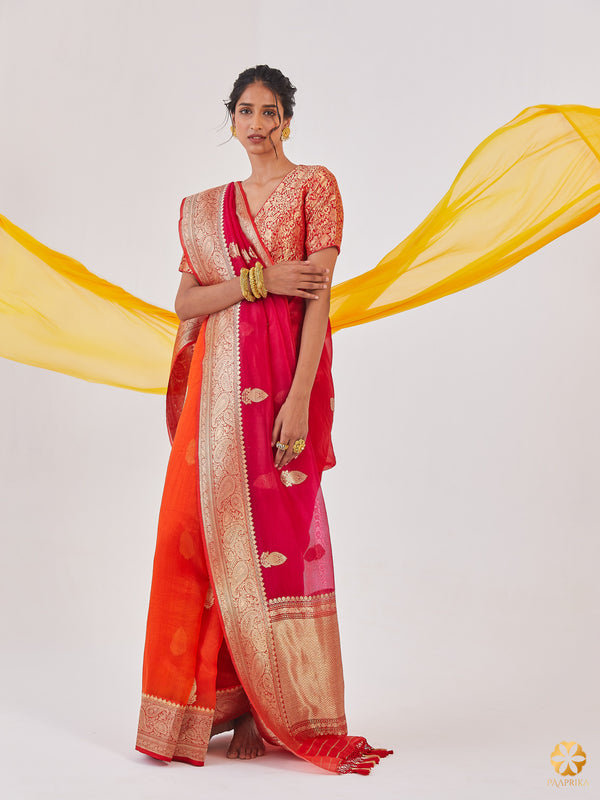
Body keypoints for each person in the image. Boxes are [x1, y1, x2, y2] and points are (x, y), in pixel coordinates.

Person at [135, 65, 391, 775]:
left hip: (282, 383)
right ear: (232, 120)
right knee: (200, 535)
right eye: (245, 111)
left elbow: (319, 299)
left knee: (275, 533)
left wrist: (301, 397)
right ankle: (222, 703)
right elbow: (187, 304)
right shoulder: (202, 208)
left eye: (269, 111)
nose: (256, 123)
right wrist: (259, 280)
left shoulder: (315, 187)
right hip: (219, 396)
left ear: (287, 120)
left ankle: (269, 704)